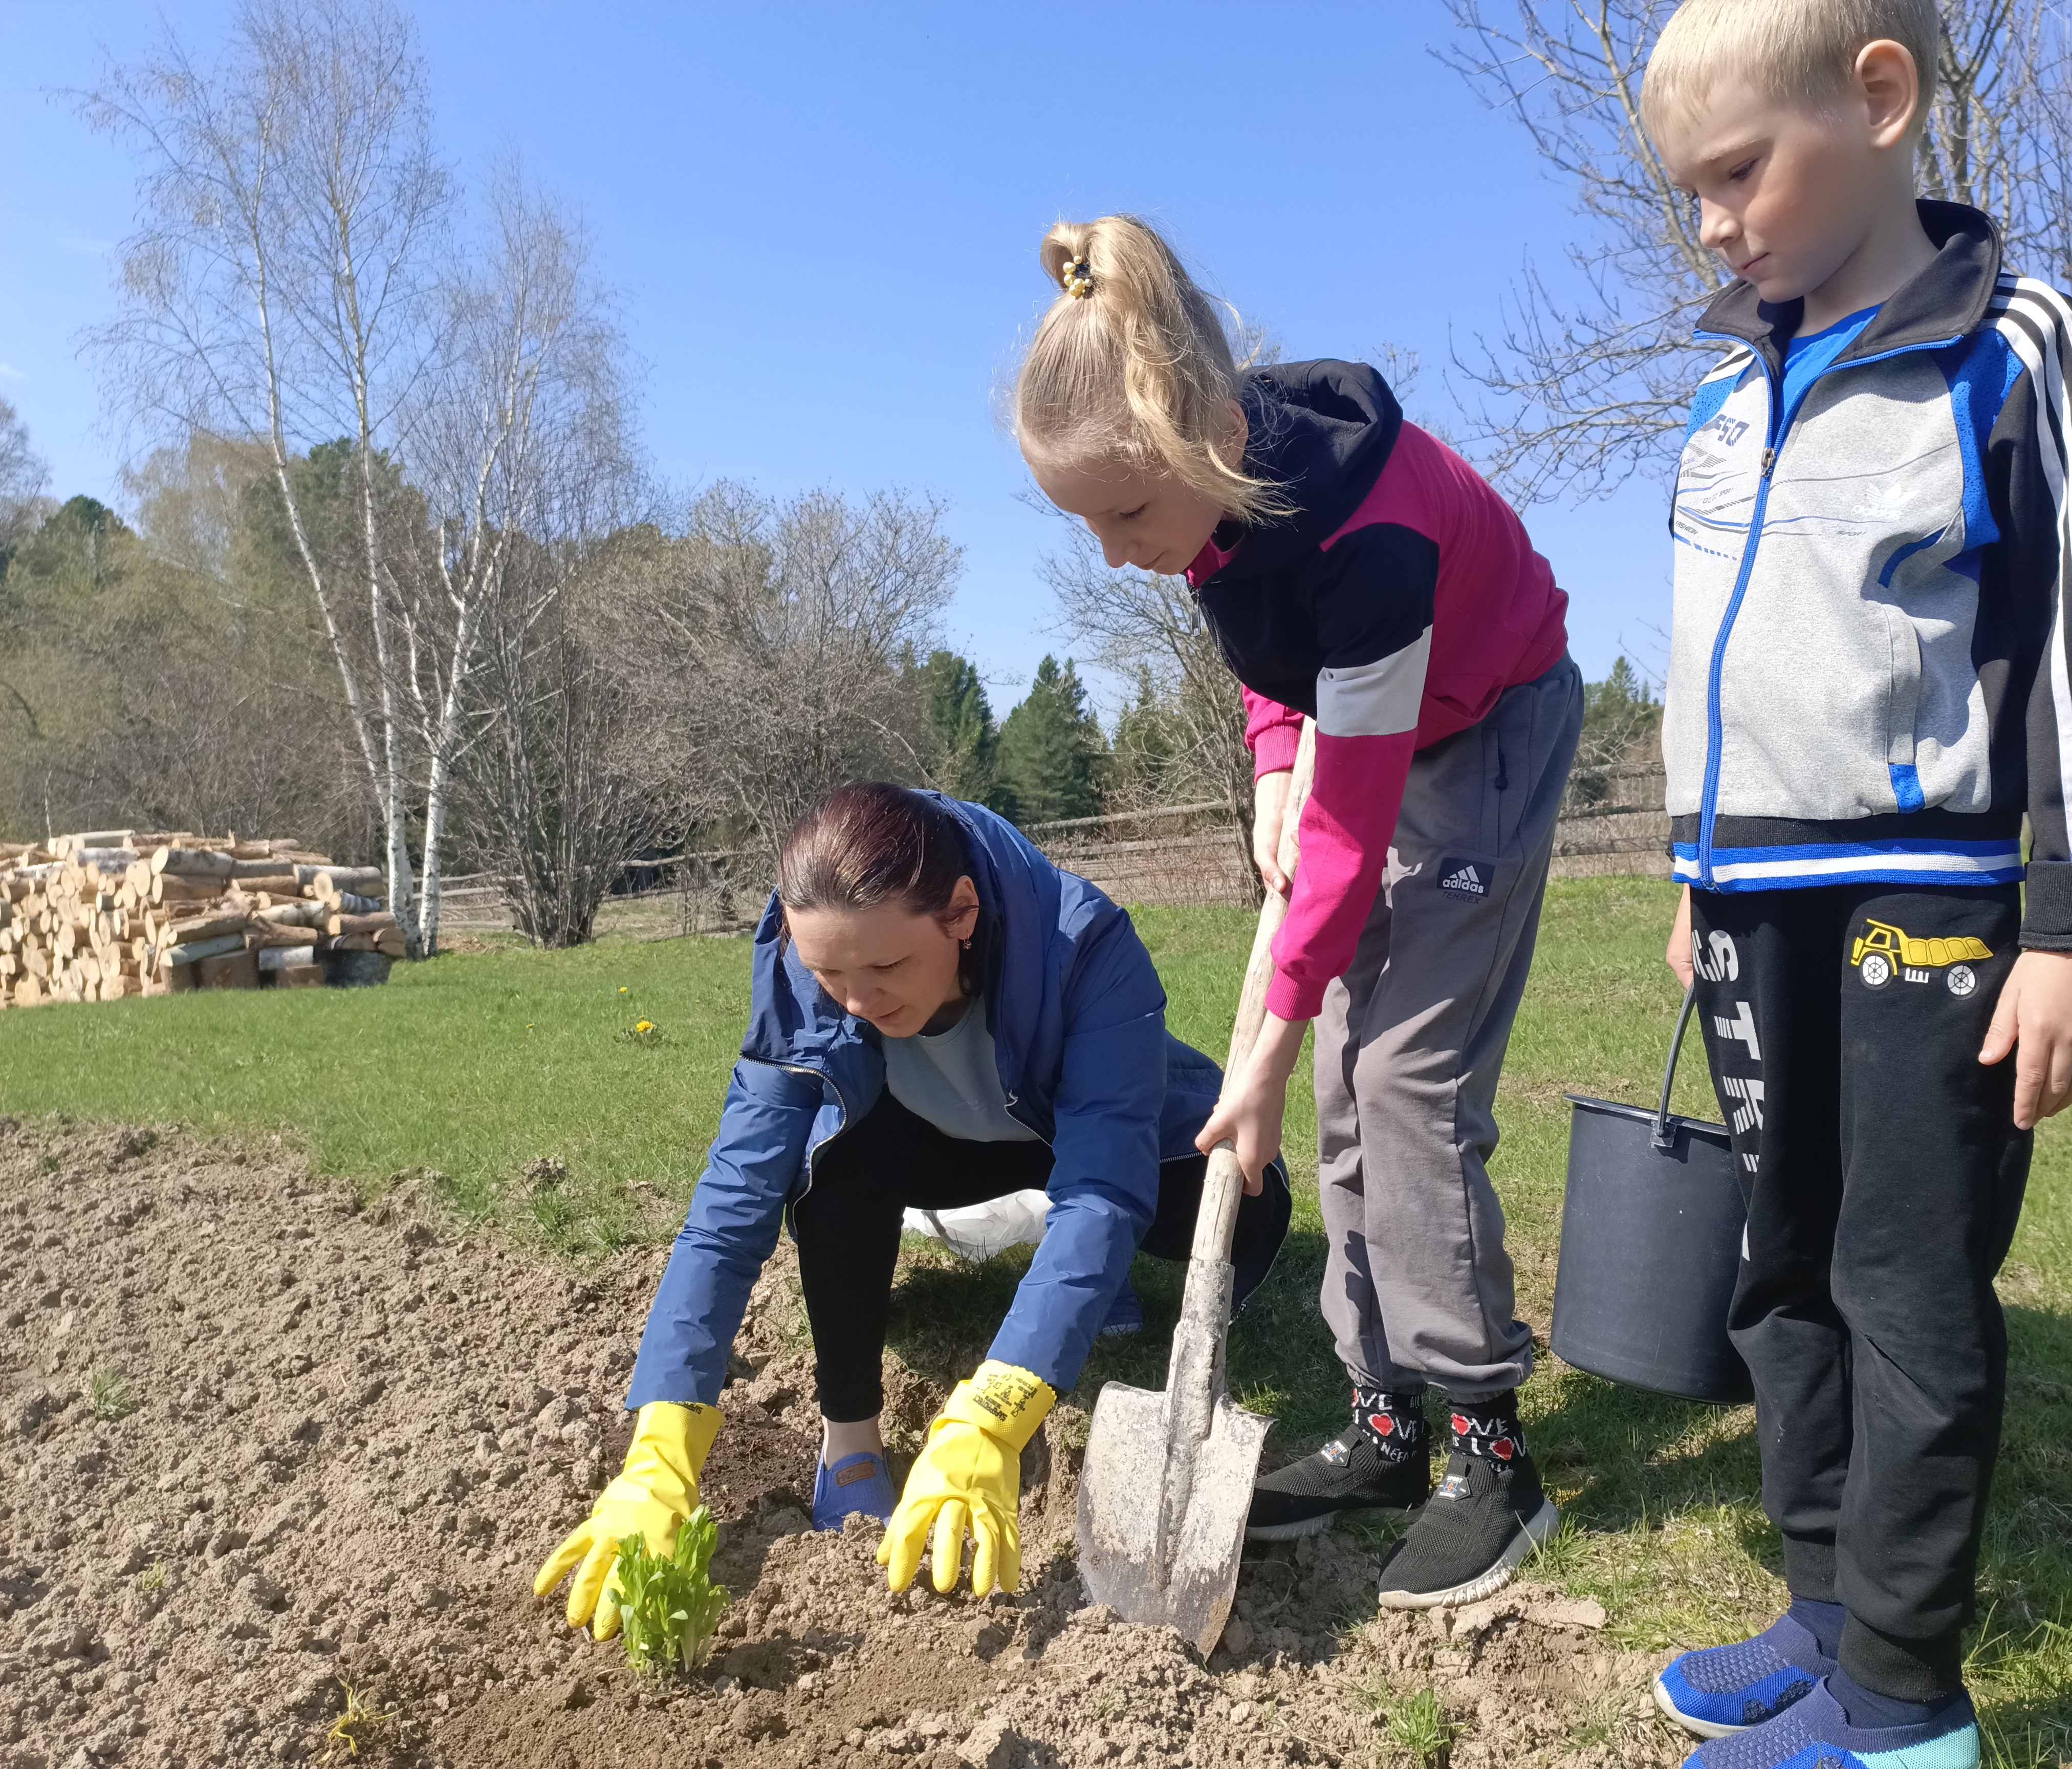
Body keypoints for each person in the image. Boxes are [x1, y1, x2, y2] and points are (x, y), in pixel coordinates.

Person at [1635, 3, 2072, 1765]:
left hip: (1924, 896)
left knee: (1903, 1283)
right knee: (1774, 1267)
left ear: (1875, 100)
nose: (1709, 222)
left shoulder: (2009, 344)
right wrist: (1690, 872)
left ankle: (1903, 1704)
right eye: (1684, 193)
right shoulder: (1725, 388)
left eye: (1733, 171)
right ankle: (1820, 1608)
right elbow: (1710, 654)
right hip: (1747, 901)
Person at [1019, 217, 1582, 1610]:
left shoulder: (1375, 536)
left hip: (1487, 727)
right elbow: (1276, 638)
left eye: (1124, 517)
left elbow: (1357, 819)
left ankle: (1487, 1449)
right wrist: (1276, 756)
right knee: (1342, 1077)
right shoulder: (1219, 487)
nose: (1110, 555)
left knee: (1402, 1080)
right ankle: (1383, 1413)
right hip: (1384, 730)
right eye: (1082, 524)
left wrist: (1254, 1055)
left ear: (1209, 437)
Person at [533, 783, 1291, 1631]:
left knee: (1235, 1212)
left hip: (1094, 1138)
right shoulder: (800, 970)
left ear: (961, 912)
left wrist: (995, 1415)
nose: (857, 1001)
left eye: (887, 967)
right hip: (935, 1144)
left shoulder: (1087, 944)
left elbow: (1107, 1187)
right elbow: (730, 1209)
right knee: (830, 1154)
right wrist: (660, 1448)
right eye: (829, 974)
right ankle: (850, 1442)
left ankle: (1064, 1266)